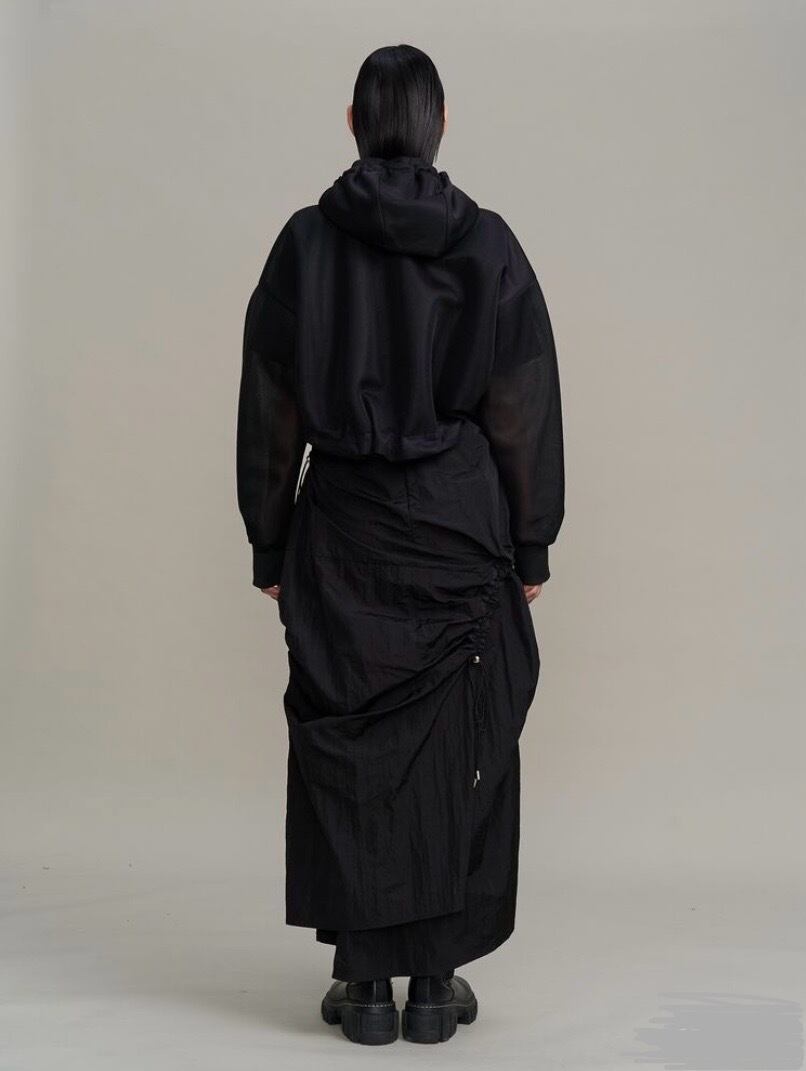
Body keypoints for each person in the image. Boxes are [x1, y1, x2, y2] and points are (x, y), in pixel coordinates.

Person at [236, 43, 565, 1046]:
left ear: (352, 123)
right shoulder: (489, 243)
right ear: (440, 123)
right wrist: (531, 545)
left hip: (342, 527)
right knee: (453, 750)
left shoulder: (303, 244)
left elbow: (270, 407)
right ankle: (432, 985)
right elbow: (523, 405)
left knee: (349, 748)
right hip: (458, 524)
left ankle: (366, 989)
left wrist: (269, 543)